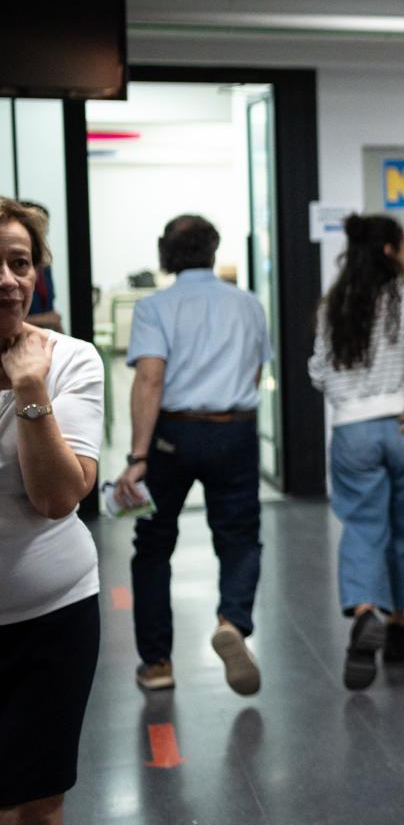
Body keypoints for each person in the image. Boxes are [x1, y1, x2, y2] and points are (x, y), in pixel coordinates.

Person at [118, 215, 270, 696]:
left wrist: (137, 455)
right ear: (213, 249)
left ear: (166, 253)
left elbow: (150, 379)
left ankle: (158, 662)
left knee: (155, 545)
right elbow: (253, 374)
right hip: (236, 431)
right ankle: (233, 620)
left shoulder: (155, 307)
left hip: (173, 435)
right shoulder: (249, 305)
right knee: (240, 536)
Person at [0, 199, 102, 825]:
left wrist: (32, 390)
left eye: (20, 263)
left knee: (37, 801)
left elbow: (59, 498)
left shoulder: (70, 360)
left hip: (53, 617)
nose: (8, 280)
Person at [308, 214, 404, 692]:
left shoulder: (334, 305)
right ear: (389, 250)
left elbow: (319, 371)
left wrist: (350, 396)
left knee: (364, 524)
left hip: (351, 430)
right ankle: (399, 625)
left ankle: (367, 611)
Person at [17, 202, 61, 333]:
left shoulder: (45, 266)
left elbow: (51, 312)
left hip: (46, 338)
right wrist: (44, 319)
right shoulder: (10, 270)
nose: (41, 238)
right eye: (37, 231)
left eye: (44, 231)